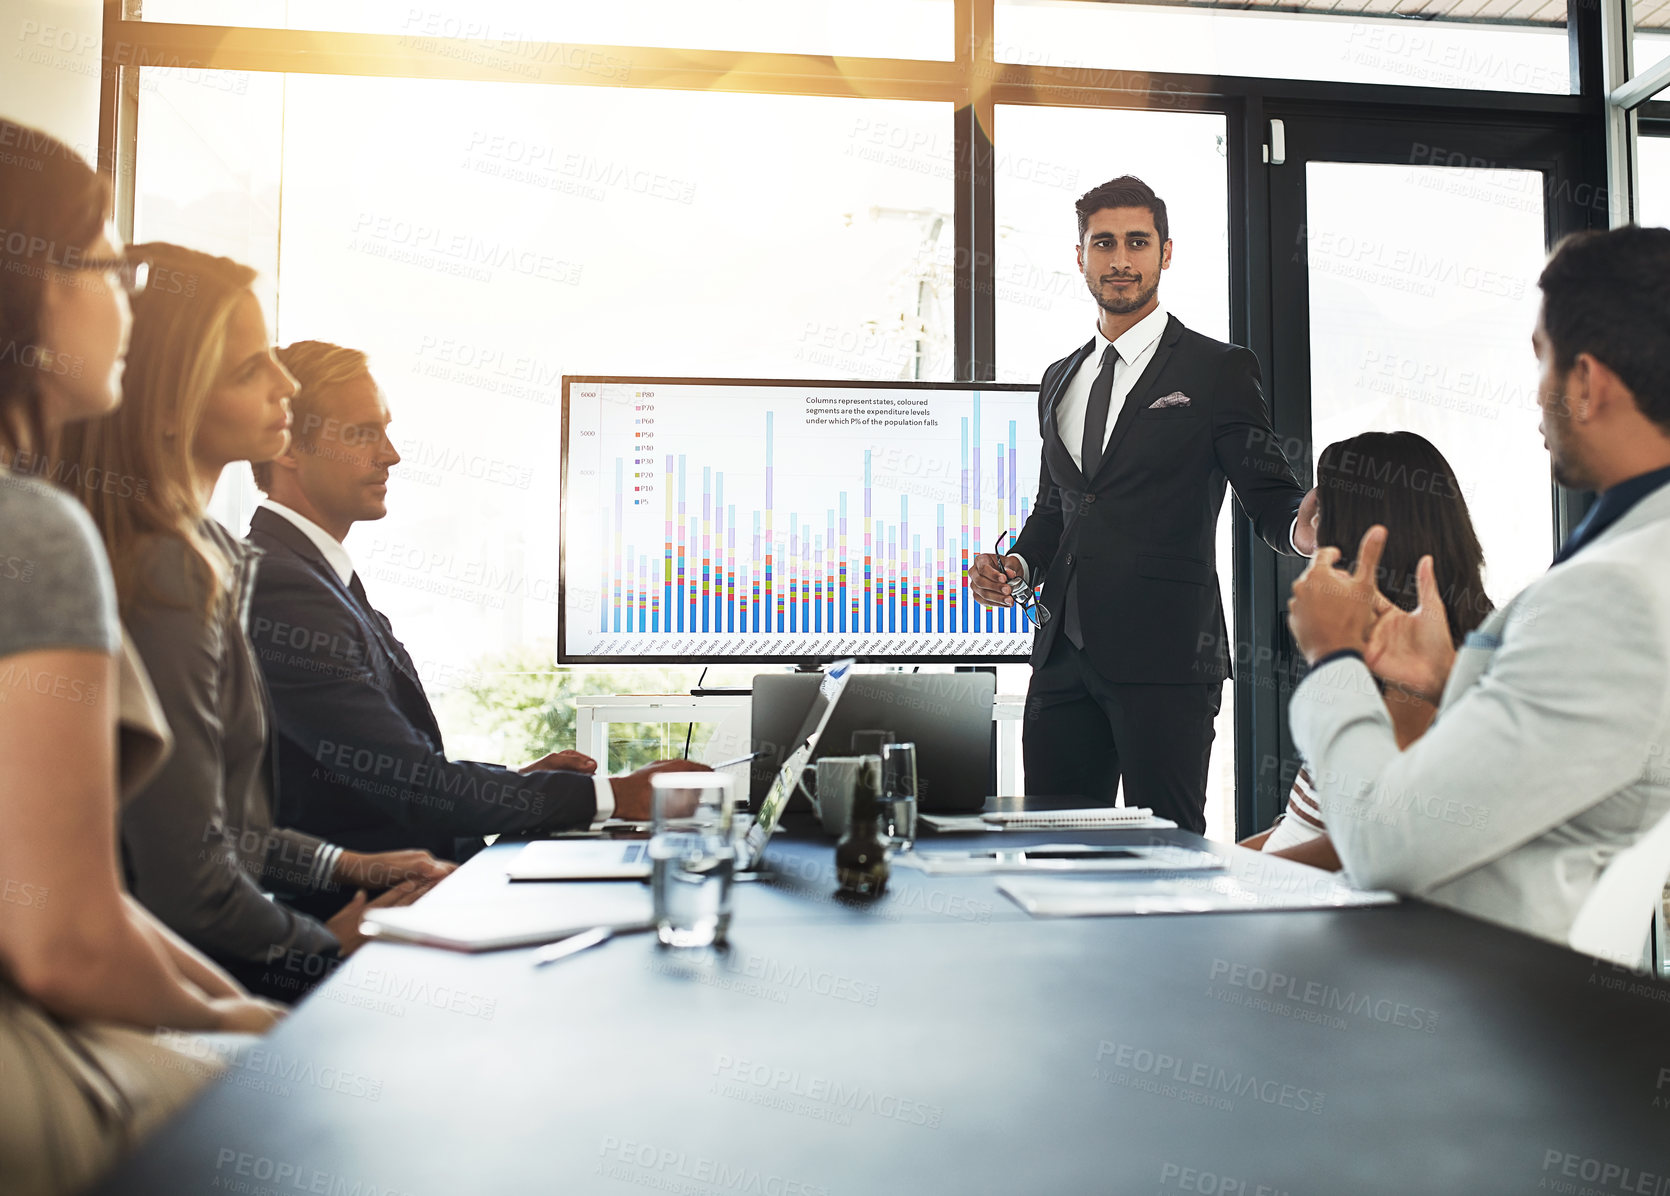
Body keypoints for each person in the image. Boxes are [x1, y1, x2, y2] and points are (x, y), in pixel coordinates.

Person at [0, 120, 284, 1195]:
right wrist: (261, 1028)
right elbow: (64, 940)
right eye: (110, 266)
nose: (128, 300)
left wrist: (236, 1012)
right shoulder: (32, 532)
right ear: (23, 284)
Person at [57, 245, 453, 1003]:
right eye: (250, 370)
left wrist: (347, 867)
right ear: (171, 403)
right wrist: (328, 943)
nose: (285, 385)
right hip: (186, 981)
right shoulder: (163, 568)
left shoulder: (208, 550)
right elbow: (185, 881)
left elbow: (224, 832)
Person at [1286, 225, 1670, 949]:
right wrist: (1455, 679)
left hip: (1482, 1012)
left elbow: (1380, 847)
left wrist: (1334, 657)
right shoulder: (1640, 557)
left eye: (1545, 364)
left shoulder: (1613, 598)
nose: (1538, 399)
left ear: (1587, 385)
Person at [247, 340, 703, 865]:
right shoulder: (283, 588)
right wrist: (620, 796)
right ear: (287, 446)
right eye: (362, 433)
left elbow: (381, 775)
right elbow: (415, 788)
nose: (390, 454)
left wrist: (520, 785)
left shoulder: (314, 575)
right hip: (372, 909)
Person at [965, 175, 1317, 833]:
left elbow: (1267, 494)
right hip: (1061, 662)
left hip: (1167, 660)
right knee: (1057, 852)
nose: (1120, 260)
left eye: (1136, 242)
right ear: (1080, 256)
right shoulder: (1058, 379)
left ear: (1165, 252)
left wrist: (1304, 526)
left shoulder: (1217, 371)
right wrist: (1016, 565)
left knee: (1171, 856)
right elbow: (1055, 511)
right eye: (1104, 243)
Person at [1236, 431, 1494, 870]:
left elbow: (1361, 842)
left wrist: (1228, 880)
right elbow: (1301, 824)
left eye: (1324, 516)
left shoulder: (1414, 670)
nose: (1314, 529)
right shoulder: (1396, 650)